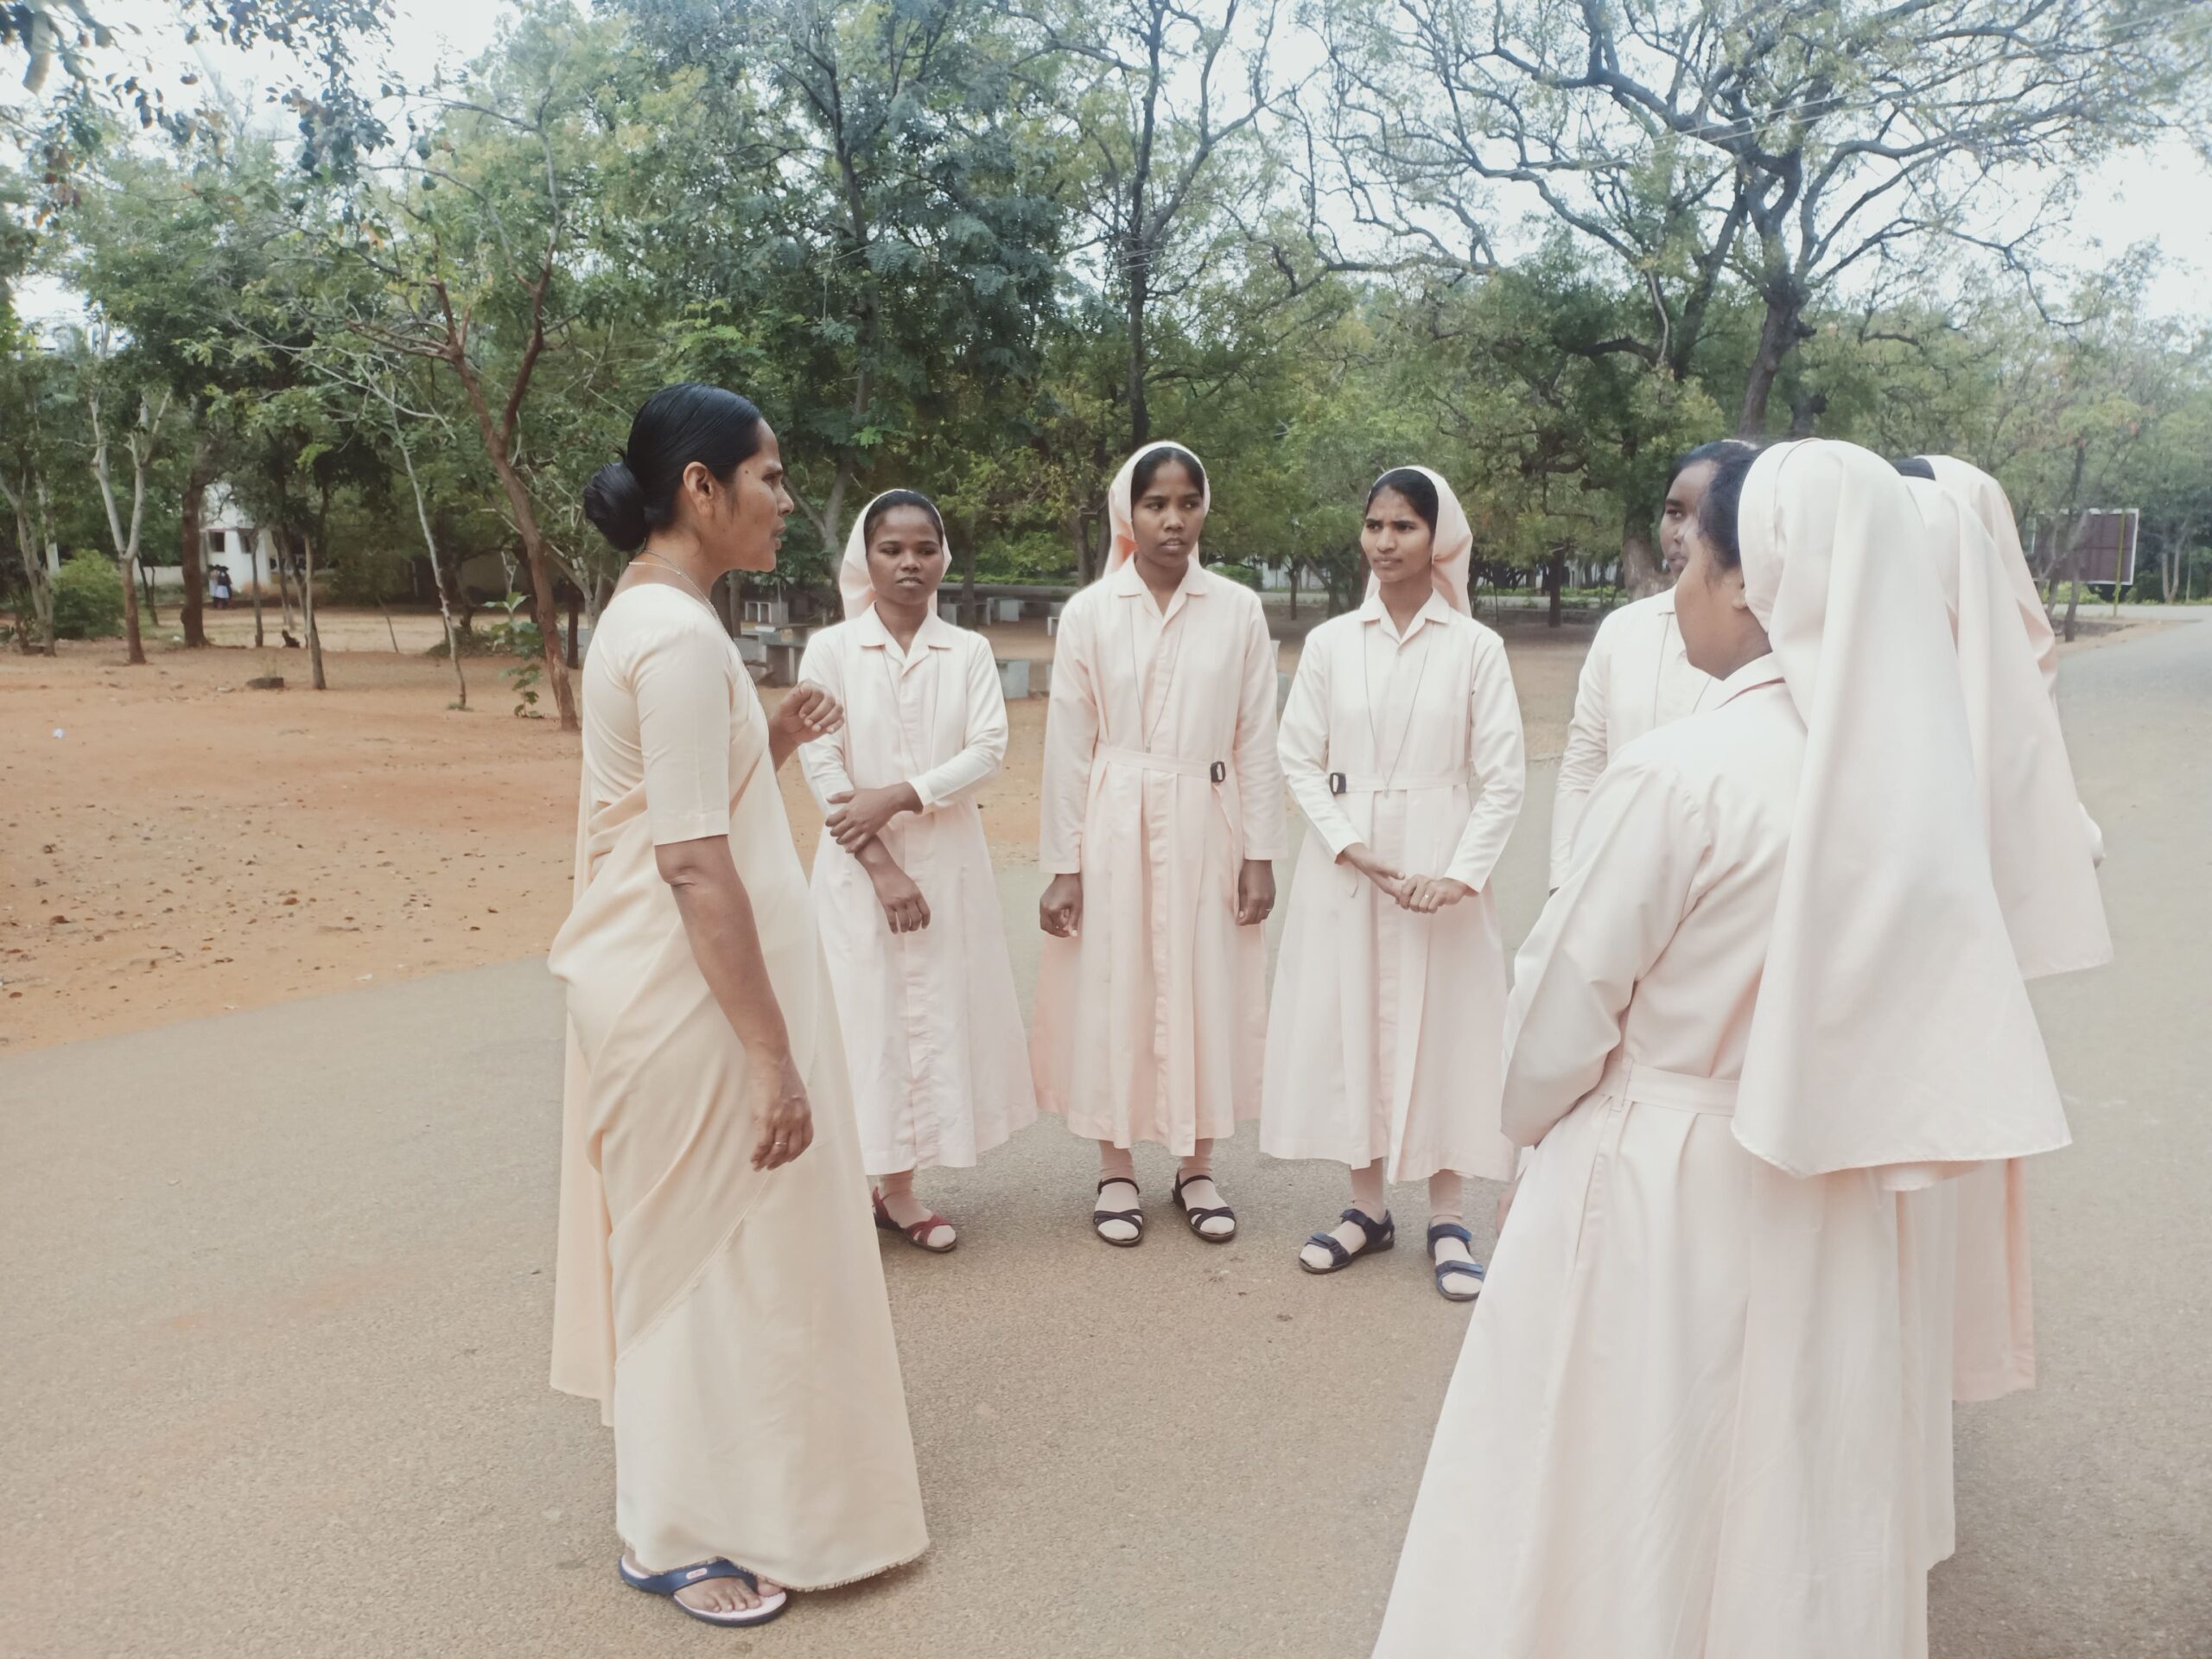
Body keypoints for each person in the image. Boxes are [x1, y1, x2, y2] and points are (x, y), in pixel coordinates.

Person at [1372, 439, 2069, 1659]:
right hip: (1828, 1185)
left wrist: (1533, 1120)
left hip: (1659, 1169)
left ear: (1757, 581)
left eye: (1696, 553)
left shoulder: (1686, 773)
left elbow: (1563, 1006)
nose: (1679, 577)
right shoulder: (1911, 790)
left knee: (1619, 1482)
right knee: (1787, 1497)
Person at [548, 385, 927, 1630]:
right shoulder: (668, 636)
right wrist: (772, 1058)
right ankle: (667, 1530)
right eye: (766, 476)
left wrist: (760, 740)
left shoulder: (675, 628)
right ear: (698, 490)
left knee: (741, 1256)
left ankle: (755, 1495)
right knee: (693, 1261)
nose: (783, 499)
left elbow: (684, 802)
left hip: (694, 990)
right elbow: (691, 861)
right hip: (684, 1004)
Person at [1263, 467, 1525, 1301]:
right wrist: (1347, 844)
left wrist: (1461, 874)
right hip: (1350, 870)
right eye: (1374, 525)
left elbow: (1504, 778)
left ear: (1436, 535)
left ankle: (1449, 1219)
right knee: (1353, 1024)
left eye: (1404, 526)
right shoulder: (1335, 643)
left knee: (1443, 1027)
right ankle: (1366, 1208)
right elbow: (1297, 755)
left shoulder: (1475, 646)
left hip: (1439, 869)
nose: (1385, 542)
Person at [1033, 442, 1287, 1246]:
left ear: (1205, 508)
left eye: (1187, 502)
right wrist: (1062, 866)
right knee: (1118, 981)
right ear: (1128, 513)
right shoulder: (1091, 612)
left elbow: (1255, 738)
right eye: (1155, 505)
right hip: (1114, 817)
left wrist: (1259, 852)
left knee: (1205, 981)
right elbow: (1069, 747)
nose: (1173, 521)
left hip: (1207, 817)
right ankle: (1115, 1167)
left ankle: (1197, 1164)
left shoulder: (1239, 608)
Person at [795, 488, 1037, 1253]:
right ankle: (834, 1196)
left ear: (944, 556)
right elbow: (820, 758)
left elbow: (987, 749)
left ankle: (899, 1193)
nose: (910, 563)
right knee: (858, 1023)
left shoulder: (963, 652)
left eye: (925, 548)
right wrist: (879, 862)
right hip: (853, 872)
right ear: (865, 558)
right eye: (892, 549)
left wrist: (899, 795)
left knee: (928, 1020)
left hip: (948, 862)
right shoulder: (831, 649)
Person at [1546, 440, 1751, 887]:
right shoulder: (1622, 630)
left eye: (1705, 517)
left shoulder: (1766, 639)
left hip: (1714, 892)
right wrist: (1564, 882)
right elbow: (1583, 766)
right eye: (1675, 512)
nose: (1682, 533)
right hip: (1609, 880)